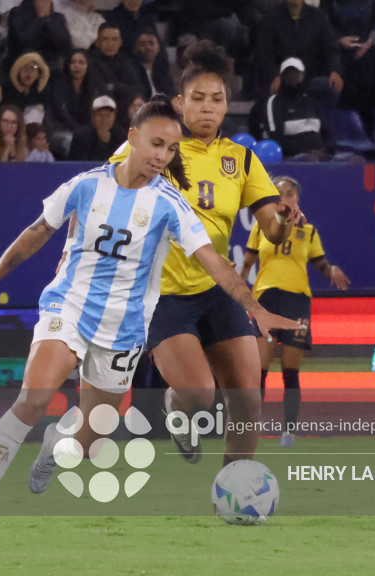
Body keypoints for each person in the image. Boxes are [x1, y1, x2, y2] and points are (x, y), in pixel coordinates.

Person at [0, 95, 299, 525]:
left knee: (91, 441)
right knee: (33, 399)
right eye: (156, 144)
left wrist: (251, 306)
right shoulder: (85, 185)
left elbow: (212, 261)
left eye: (171, 149)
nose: (163, 156)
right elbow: (36, 233)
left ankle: (57, 446)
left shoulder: (169, 204)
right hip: (70, 307)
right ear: (131, 137)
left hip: (125, 327)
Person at [107, 40, 303, 465]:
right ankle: (178, 412)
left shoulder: (243, 160)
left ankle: (237, 484)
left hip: (218, 290)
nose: (208, 108)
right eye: (197, 99)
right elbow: (105, 193)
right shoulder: (152, 144)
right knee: (199, 394)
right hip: (163, 293)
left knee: (248, 397)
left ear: (227, 103)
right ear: (180, 103)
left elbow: (270, 229)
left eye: (217, 99)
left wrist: (284, 219)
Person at [239, 176, 349, 447]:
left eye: (289, 194)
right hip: (266, 299)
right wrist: (238, 290)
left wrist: (331, 270)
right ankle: (253, 427)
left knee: (290, 370)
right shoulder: (261, 227)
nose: (284, 198)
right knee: (259, 369)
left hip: (297, 301)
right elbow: (247, 262)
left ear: (296, 198)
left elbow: (321, 265)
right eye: (278, 194)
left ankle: (288, 431)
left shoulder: (309, 231)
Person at [67, 94, 126, 160]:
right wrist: (102, 143)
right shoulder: (81, 136)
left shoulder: (121, 136)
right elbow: (80, 163)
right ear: (92, 117)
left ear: (114, 117)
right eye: (100, 115)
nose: (104, 119)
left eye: (108, 115)